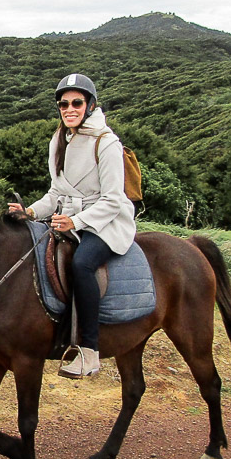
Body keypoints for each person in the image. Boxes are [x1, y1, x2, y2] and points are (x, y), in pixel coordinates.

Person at [8, 73, 136, 378]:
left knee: (82, 264)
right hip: (68, 220)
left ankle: (89, 351)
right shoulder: (59, 140)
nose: (69, 109)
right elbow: (56, 193)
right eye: (63, 104)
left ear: (90, 105)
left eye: (76, 103)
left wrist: (75, 221)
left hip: (105, 222)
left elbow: (113, 200)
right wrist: (30, 211)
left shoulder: (107, 143)